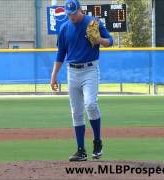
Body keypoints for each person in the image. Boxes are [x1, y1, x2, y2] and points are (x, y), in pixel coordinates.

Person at [50, 0, 113, 161]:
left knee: (91, 104)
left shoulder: (93, 23)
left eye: (73, 12)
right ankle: (81, 150)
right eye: (68, 13)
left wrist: (99, 40)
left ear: (80, 10)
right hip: (72, 72)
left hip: (90, 69)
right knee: (76, 112)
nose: (71, 16)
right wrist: (54, 75)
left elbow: (110, 41)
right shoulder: (64, 28)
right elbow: (60, 53)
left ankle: (97, 142)